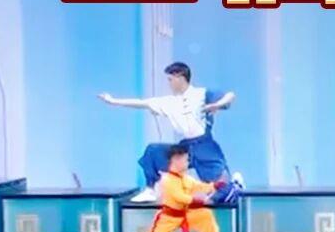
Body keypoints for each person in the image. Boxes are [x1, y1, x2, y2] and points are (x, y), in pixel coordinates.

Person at [99, 60, 241, 203]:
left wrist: (217, 105)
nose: (169, 83)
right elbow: (142, 103)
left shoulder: (202, 94)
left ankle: (235, 184)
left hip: (204, 145)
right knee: (153, 151)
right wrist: (114, 101)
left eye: (170, 79)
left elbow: (230, 96)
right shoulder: (169, 102)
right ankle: (150, 189)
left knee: (222, 193)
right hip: (185, 147)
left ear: (180, 77)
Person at [125, 144, 232, 232]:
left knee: (204, 215)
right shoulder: (168, 180)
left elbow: (199, 186)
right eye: (186, 160)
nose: (188, 163)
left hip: (185, 213)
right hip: (169, 217)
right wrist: (195, 200)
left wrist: (215, 185)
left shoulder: (185, 178)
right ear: (176, 160)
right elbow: (179, 197)